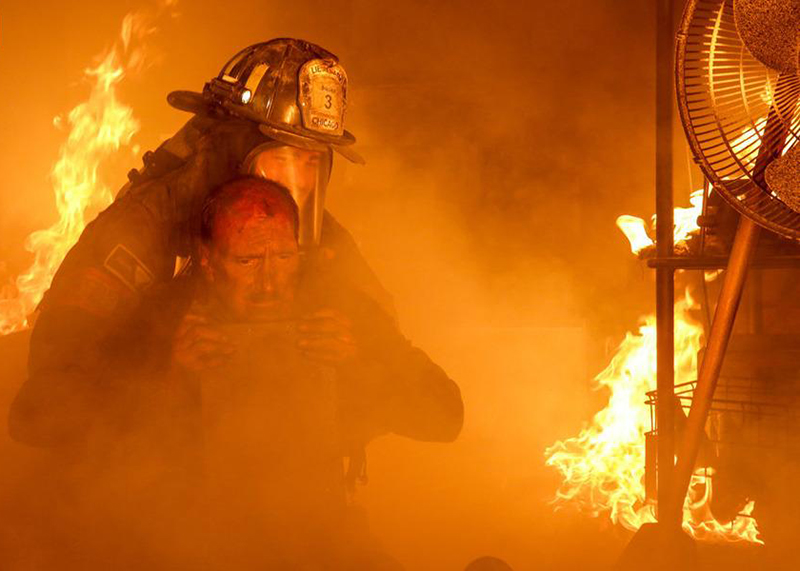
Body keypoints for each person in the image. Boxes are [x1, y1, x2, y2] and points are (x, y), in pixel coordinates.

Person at [8, 177, 463, 570]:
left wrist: (361, 365)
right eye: (247, 262)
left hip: (315, 538)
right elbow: (33, 419)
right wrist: (168, 377)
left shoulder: (337, 310)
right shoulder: (163, 318)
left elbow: (446, 416)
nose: (269, 283)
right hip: (185, 545)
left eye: (283, 258)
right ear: (207, 262)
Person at [18, 37, 393, 440]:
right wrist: (163, 369)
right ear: (235, 153)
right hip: (148, 482)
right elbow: (43, 408)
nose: (298, 183)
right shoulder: (142, 230)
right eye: (282, 159)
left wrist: (354, 359)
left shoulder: (318, 233)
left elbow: (391, 349)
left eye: (311, 163)